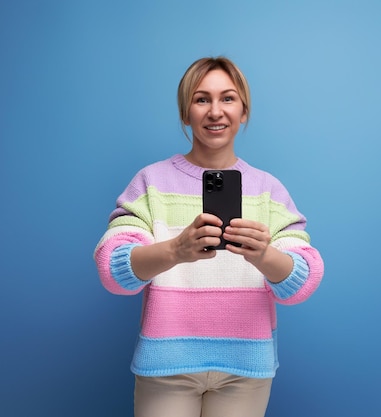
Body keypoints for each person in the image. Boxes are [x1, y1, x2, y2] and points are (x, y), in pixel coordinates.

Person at [94, 56, 324, 417]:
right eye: (202, 99)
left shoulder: (268, 190)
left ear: (244, 111)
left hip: (245, 366)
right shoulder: (150, 183)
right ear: (185, 113)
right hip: (167, 364)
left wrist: (264, 255)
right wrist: (175, 249)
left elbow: (302, 282)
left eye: (228, 99)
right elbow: (112, 271)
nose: (215, 111)